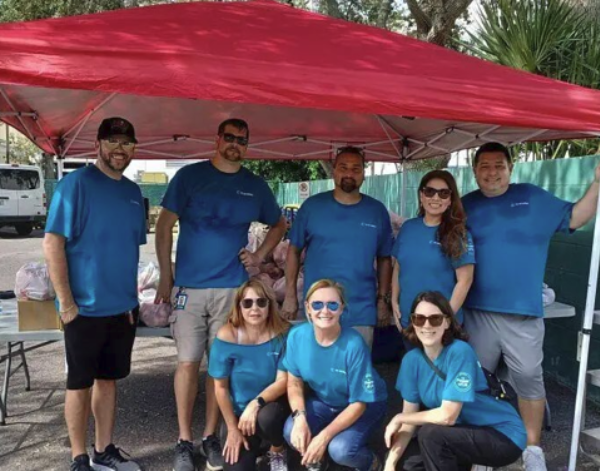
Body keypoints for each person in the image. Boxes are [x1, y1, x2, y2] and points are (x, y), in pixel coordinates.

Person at [155, 118, 287, 471]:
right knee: (186, 363)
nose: (235, 145)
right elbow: (164, 226)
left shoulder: (254, 185)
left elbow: (279, 224)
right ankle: (184, 441)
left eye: (242, 140)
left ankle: (210, 436)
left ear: (247, 145)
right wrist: (166, 277)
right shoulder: (190, 177)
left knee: (220, 368)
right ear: (217, 140)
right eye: (229, 138)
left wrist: (259, 257)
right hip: (189, 288)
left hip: (232, 289)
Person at [461, 142, 600, 471]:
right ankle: (484, 448)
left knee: (528, 380)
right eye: (484, 166)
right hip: (476, 312)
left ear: (511, 168)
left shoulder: (534, 198)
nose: (492, 172)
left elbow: (576, 217)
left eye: (499, 165)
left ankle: (533, 449)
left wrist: (596, 184)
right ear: (475, 170)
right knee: (477, 381)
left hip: (523, 315)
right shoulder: (463, 205)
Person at [43, 117, 145, 471]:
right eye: (113, 141)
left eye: (127, 142)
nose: (120, 149)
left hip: (122, 309)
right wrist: (67, 302)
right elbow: (53, 243)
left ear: (134, 148)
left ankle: (104, 449)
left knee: (109, 380)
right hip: (83, 309)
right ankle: (78, 457)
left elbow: (126, 251)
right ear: (98, 145)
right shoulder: (75, 186)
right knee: (79, 383)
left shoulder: (133, 194)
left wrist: (133, 302)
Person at [384, 291, 526, 471]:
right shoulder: (411, 360)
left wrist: (399, 418)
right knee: (406, 463)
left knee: (431, 435)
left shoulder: (460, 351)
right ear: (413, 322)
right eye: (419, 319)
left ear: (447, 322)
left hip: (502, 435)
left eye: (434, 319)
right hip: (460, 433)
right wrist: (390, 463)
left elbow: (447, 416)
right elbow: (408, 422)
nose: (426, 325)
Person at [281, 147, 394, 348]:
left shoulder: (376, 211)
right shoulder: (312, 207)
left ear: (364, 174)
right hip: (319, 307)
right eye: (343, 167)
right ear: (334, 171)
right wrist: (290, 295)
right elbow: (294, 250)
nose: (349, 173)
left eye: (356, 169)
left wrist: (383, 300)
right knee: (318, 370)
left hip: (361, 307)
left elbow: (385, 258)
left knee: (356, 370)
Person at [283, 279, 388, 471]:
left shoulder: (353, 344)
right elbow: (294, 382)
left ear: (342, 308)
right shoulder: (296, 336)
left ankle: (371, 463)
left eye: (332, 304)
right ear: (307, 308)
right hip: (325, 402)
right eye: (317, 304)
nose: (325, 311)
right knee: (292, 432)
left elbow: (359, 403)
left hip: (364, 404)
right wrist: (299, 418)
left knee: (341, 450)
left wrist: (323, 437)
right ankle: (319, 458)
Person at [208, 279, 290, 471]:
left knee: (268, 419)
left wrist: (255, 404)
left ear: (270, 305)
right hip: (239, 415)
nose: (255, 308)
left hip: (271, 407)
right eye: (247, 303)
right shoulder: (226, 336)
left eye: (261, 302)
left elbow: (283, 381)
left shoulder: (283, 334)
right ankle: (252, 445)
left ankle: (277, 449)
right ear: (239, 307)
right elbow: (220, 387)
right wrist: (232, 428)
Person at [391, 170, 474, 350]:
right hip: (410, 322)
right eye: (430, 191)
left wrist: (446, 319)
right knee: (416, 372)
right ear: (421, 195)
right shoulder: (408, 227)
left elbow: (465, 280)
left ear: (451, 199)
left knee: (442, 376)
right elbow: (398, 267)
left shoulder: (458, 233)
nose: (436, 197)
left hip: (441, 327)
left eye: (443, 193)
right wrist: (394, 301)